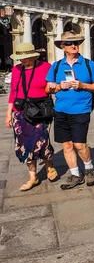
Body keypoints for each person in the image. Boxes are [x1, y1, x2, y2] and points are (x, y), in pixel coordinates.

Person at [46, 31, 94, 190]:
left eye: (76, 42)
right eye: (70, 43)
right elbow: (47, 88)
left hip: (81, 110)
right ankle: (76, 174)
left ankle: (89, 168)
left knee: (79, 144)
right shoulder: (57, 66)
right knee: (67, 145)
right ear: (63, 47)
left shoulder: (88, 64)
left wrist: (83, 85)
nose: (74, 45)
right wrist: (58, 87)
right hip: (61, 110)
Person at [5, 43, 57, 190]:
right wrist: (9, 113)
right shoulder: (16, 69)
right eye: (21, 58)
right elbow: (13, 92)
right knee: (23, 144)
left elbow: (52, 86)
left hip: (41, 111)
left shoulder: (46, 67)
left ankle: (49, 165)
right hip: (20, 111)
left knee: (41, 141)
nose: (24, 61)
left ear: (34, 56)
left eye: (27, 58)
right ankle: (33, 177)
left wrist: (54, 86)